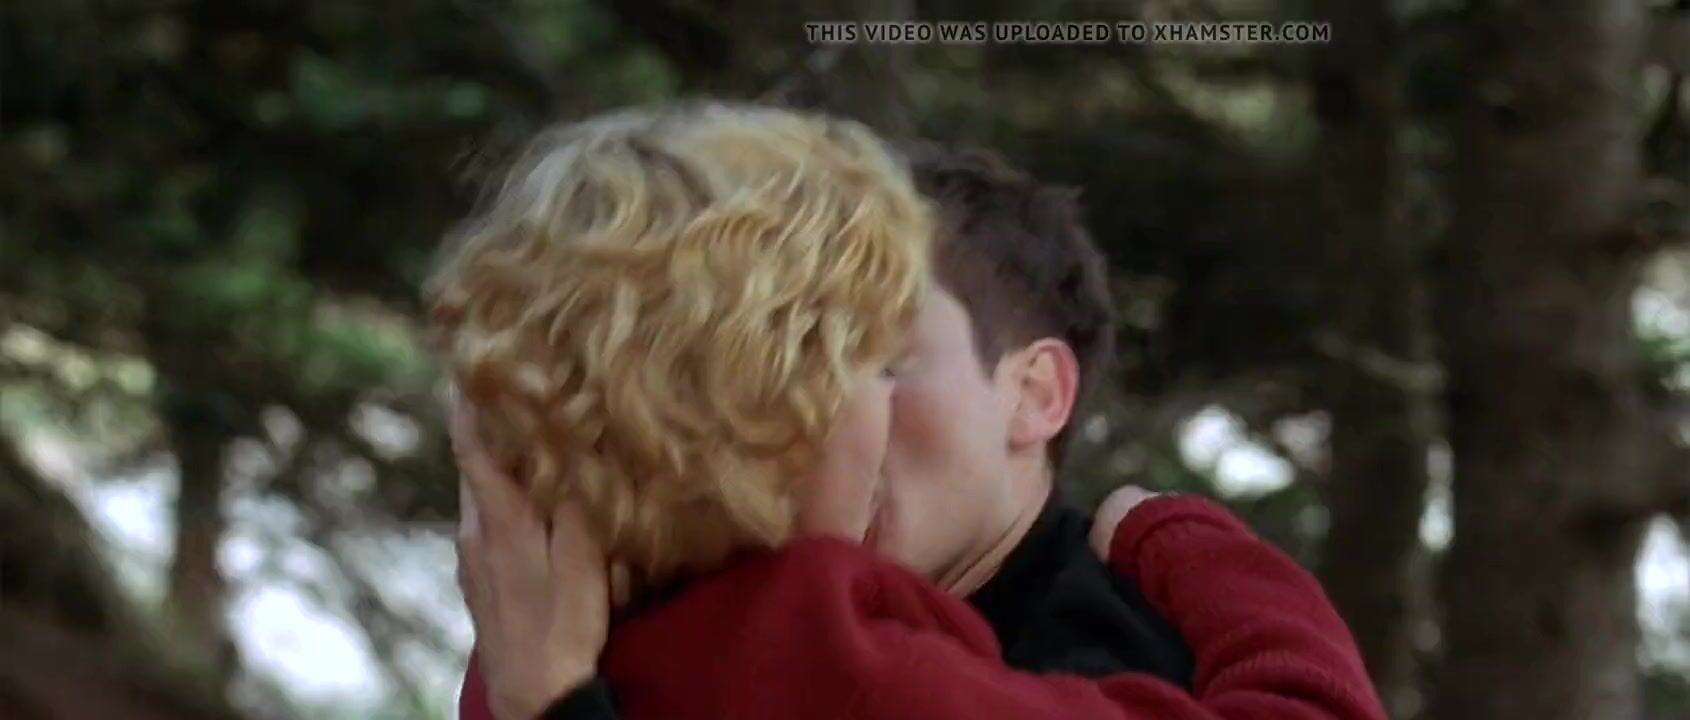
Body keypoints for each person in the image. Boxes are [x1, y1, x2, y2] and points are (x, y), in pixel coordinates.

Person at [440, 105, 1384, 720]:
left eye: (894, 361)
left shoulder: (540, 635)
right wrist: (1191, 543)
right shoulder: (837, 647)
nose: (868, 404)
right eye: (859, 359)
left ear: (1037, 393)